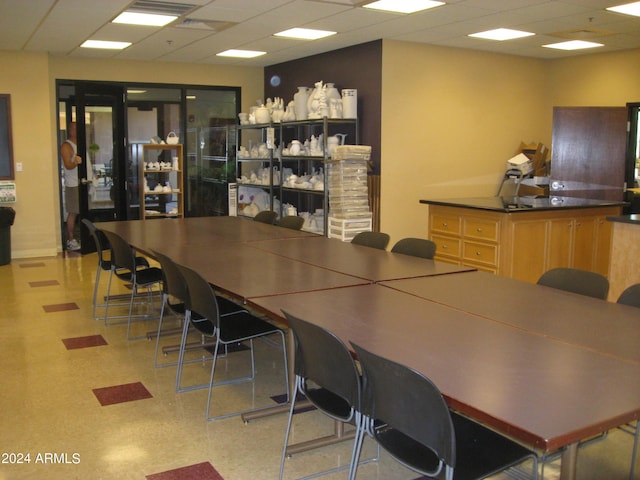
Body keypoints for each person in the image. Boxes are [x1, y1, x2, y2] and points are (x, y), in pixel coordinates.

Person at [60, 121, 82, 251]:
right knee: (73, 212)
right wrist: (75, 162)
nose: (77, 131)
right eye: (75, 128)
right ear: (71, 130)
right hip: (73, 184)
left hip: (83, 183)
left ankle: (86, 239)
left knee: (83, 212)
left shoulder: (81, 144)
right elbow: (68, 165)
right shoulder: (66, 146)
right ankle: (70, 240)